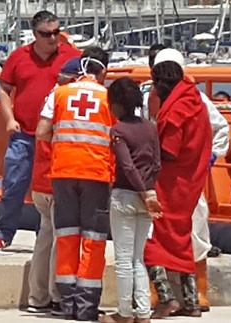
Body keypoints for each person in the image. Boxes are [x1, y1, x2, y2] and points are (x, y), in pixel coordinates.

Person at [0, 10, 81, 250]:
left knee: (53, 189)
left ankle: (46, 233)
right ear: (34, 34)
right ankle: (4, 232)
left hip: (58, 137)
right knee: (13, 183)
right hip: (23, 134)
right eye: (46, 34)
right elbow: (4, 88)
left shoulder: (71, 57)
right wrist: (9, 119)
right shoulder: (19, 57)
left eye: (56, 32)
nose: (53, 38)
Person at [149, 48, 230, 314]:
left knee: (170, 237)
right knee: (187, 237)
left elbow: (170, 146)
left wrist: (212, 155)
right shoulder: (192, 98)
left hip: (175, 179)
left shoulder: (187, 102)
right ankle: (191, 299)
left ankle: (172, 296)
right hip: (189, 178)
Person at [36, 47, 112, 321]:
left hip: (63, 173)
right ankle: (87, 307)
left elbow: (42, 131)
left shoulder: (59, 93)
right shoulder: (108, 96)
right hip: (96, 173)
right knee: (94, 239)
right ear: (103, 70)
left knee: (66, 236)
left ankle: (66, 303)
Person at [99, 77, 162, 323]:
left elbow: (126, 165)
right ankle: (143, 312)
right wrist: (149, 190)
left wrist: (140, 190)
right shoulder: (150, 127)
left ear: (115, 104)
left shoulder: (118, 130)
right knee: (139, 258)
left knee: (124, 259)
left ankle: (124, 313)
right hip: (148, 196)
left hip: (125, 195)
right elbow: (156, 163)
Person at [27, 57, 82, 314]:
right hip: (57, 178)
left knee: (45, 238)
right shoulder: (66, 100)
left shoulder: (51, 98)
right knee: (62, 239)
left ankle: (37, 297)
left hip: (40, 179)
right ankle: (57, 295)